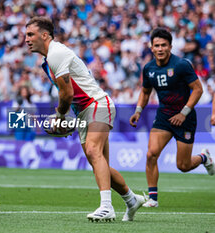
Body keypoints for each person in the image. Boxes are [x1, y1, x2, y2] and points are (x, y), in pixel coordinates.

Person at [25, 16, 145, 222]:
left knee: (92, 150)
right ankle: (131, 199)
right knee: (99, 162)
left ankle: (106, 207)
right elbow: (69, 94)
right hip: (84, 110)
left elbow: (67, 94)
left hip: (97, 103)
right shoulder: (49, 59)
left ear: (44, 35)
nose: (26, 39)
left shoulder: (56, 53)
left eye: (30, 34)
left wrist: (60, 117)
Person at [129, 28, 215, 208]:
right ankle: (153, 198)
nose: (160, 49)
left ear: (170, 46)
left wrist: (183, 113)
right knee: (151, 153)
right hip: (164, 116)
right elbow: (145, 92)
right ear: (151, 48)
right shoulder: (149, 68)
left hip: (185, 118)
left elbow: (198, 89)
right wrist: (138, 111)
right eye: (156, 45)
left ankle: (204, 158)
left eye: (163, 45)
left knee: (183, 166)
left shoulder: (181, 65)